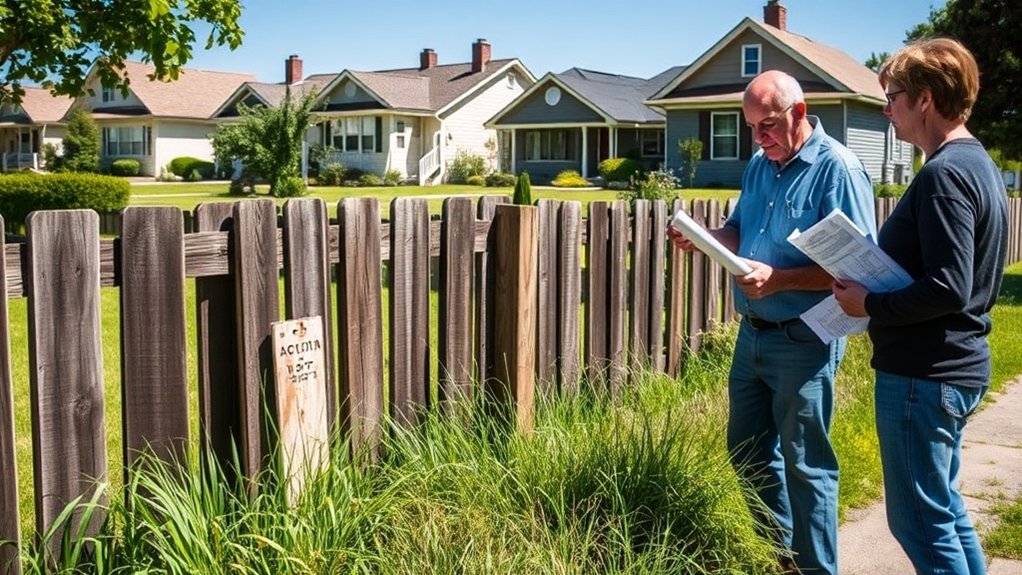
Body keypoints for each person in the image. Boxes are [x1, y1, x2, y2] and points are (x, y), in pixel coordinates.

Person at [668, 70, 875, 574]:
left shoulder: (838, 170)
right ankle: (780, 556)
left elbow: (857, 267)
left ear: (799, 114)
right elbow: (741, 228)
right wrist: (709, 237)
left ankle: (817, 569)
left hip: (805, 339)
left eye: (766, 125)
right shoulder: (762, 165)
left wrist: (780, 280)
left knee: (807, 467)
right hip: (752, 336)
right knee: (747, 452)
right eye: (750, 128)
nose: (757, 139)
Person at [833, 37, 1007, 574]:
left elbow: (948, 286)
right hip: (952, 369)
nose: (887, 111)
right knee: (945, 512)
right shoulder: (978, 165)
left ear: (925, 98)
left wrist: (869, 302)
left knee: (917, 522)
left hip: (924, 376)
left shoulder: (945, 174)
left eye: (892, 97)